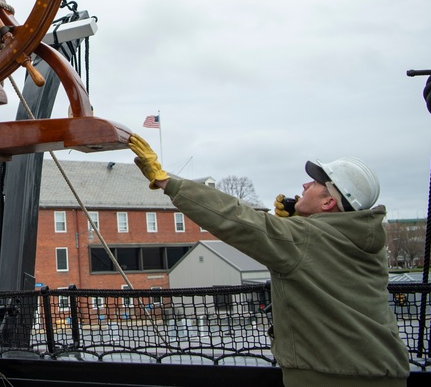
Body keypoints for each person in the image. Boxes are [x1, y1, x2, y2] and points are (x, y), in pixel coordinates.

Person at [129, 135, 409, 387]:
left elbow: (237, 219)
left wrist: (168, 181)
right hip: (384, 369)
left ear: (328, 203)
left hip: (331, 375)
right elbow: (325, 254)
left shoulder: (303, 239)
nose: (305, 185)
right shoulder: (368, 238)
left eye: (315, 183)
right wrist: (302, 220)